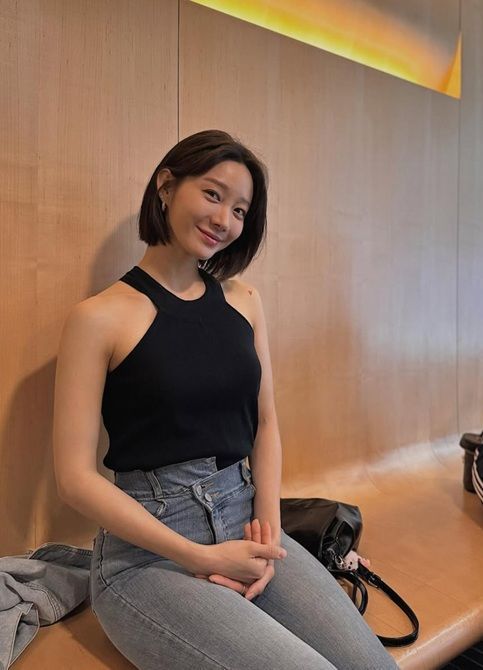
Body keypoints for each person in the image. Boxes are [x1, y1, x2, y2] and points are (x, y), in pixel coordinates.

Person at [53, 129, 398, 669]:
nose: (224, 220)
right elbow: (73, 479)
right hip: (148, 557)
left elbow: (266, 423)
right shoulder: (98, 317)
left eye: (239, 210)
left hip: (247, 521)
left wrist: (267, 533)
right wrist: (199, 555)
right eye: (212, 195)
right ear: (166, 186)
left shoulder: (246, 301)